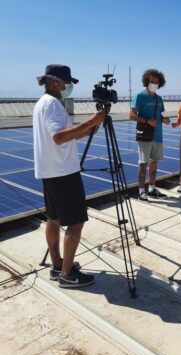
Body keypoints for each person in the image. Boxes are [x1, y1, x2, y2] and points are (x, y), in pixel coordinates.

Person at [33, 64, 105, 288]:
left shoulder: (43, 103)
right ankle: (67, 275)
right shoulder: (53, 105)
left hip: (50, 171)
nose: (69, 86)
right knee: (76, 223)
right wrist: (89, 122)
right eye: (67, 82)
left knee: (53, 219)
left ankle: (57, 266)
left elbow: (66, 136)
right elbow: (58, 137)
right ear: (55, 81)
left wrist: (88, 129)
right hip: (63, 172)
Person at [129, 69, 170, 201]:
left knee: (154, 163)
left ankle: (151, 188)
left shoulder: (159, 99)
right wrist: (147, 121)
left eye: (156, 82)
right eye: (151, 81)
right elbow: (131, 115)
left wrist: (164, 119)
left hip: (158, 136)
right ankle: (141, 191)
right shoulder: (140, 96)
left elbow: (160, 116)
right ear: (146, 81)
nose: (154, 83)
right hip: (145, 136)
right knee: (143, 164)